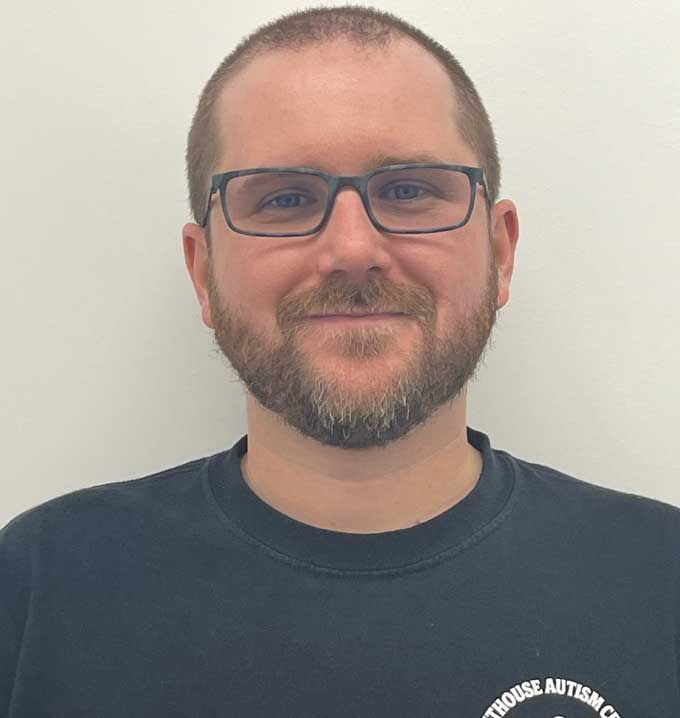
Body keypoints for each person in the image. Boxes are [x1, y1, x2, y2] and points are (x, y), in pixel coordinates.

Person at [1, 6, 678, 717]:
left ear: (500, 253)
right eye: (285, 198)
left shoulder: (660, 580)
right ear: (203, 274)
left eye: (410, 190)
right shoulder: (47, 585)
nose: (353, 249)